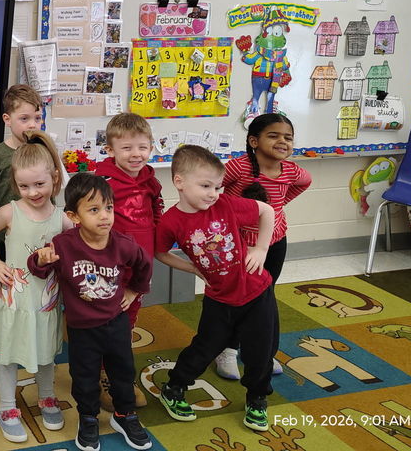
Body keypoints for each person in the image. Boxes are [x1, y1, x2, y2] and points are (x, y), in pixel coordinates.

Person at [154, 145, 276, 433]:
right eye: (206, 186)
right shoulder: (170, 222)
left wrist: (261, 248)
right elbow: (160, 253)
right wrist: (193, 269)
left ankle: (257, 398)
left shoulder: (225, 204)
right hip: (220, 298)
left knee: (260, 351)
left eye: (218, 187)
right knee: (205, 347)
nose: (213, 193)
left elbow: (267, 210)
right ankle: (174, 387)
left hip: (257, 292)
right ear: (180, 182)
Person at [28, 173, 153, 451]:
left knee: (123, 371)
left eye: (108, 207)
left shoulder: (122, 243)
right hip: (82, 328)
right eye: (94, 210)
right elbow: (38, 268)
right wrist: (40, 259)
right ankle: (88, 418)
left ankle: (125, 415)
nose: (105, 216)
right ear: (74, 216)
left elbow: (144, 265)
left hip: (116, 323)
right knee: (84, 377)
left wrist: (134, 290)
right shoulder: (64, 244)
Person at [0, 131, 71, 444]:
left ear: (55, 178)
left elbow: (80, 246)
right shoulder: (9, 211)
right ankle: (7, 407)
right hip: (15, 301)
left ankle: (46, 396)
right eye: (24, 186)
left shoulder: (62, 219)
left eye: (40, 184)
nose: (32, 192)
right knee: (7, 356)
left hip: (46, 302)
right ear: (15, 184)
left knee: (46, 354)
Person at [215, 113, 311, 381]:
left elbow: (305, 182)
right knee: (237, 296)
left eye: (288, 137)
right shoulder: (239, 167)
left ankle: (260, 351)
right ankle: (228, 349)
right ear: (254, 141)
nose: (283, 141)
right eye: (274, 135)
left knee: (264, 296)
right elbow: (211, 188)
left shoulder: (291, 171)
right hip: (238, 244)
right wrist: (225, 214)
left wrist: (276, 207)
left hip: (273, 242)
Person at [90, 112, 163, 407]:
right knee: (105, 322)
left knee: (128, 321)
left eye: (142, 147)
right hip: (108, 268)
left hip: (139, 268)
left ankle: (118, 371)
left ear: (151, 147)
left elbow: (157, 214)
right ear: (110, 150)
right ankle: (101, 373)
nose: (136, 154)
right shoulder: (102, 182)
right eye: (127, 148)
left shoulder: (150, 181)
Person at [0, 84, 44, 377]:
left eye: (37, 118)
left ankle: (25, 340)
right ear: (7, 119)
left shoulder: (43, 152)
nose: (32, 125)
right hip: (3, 241)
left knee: (31, 293)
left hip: (36, 241)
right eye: (24, 118)